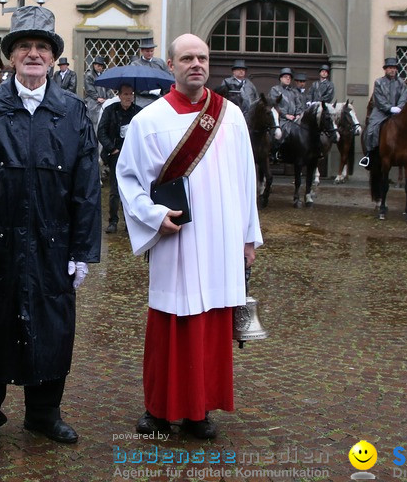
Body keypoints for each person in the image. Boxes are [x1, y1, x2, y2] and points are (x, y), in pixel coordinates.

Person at [0, 5, 101, 455]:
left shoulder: (72, 112)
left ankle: (44, 413)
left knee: (52, 326)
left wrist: (82, 249)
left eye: (42, 48)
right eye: (24, 47)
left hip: (53, 243)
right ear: (11, 56)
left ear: (52, 58)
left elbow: (87, 186)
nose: (33, 54)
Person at [116, 33, 262, 440]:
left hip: (221, 241)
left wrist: (248, 238)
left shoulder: (230, 115)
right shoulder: (149, 120)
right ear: (171, 66)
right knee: (170, 326)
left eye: (202, 57)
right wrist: (154, 215)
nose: (196, 64)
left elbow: (246, 180)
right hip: (176, 240)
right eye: (187, 58)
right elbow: (128, 181)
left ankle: (199, 411)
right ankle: (158, 411)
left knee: (212, 326)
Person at [97, 84, 141, 233]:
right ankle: (113, 220)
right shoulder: (110, 110)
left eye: (131, 94)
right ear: (120, 95)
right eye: (126, 94)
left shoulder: (138, 112)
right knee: (115, 189)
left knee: (132, 190)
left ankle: (130, 223)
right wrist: (112, 149)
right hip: (116, 154)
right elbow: (101, 131)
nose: (128, 97)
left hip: (132, 156)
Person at [358, 57, 407, 168]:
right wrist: (389, 108)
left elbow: (404, 97)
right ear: (385, 69)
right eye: (390, 68)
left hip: (398, 112)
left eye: (394, 68)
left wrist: (399, 108)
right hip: (381, 112)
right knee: (371, 129)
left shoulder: (402, 83)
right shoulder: (379, 82)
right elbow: (379, 99)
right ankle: (369, 154)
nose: (392, 70)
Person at [267, 67, 302, 153]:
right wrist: (285, 115)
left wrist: (298, 114)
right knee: (285, 131)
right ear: (281, 78)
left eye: (289, 77)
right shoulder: (275, 90)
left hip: (294, 119)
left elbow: (299, 104)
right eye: (286, 77)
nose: (288, 79)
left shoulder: (294, 91)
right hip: (280, 119)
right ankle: (276, 151)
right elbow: (274, 105)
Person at [131, 37, 168, 108]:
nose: (150, 53)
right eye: (147, 51)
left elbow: (167, 78)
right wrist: (149, 91)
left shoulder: (160, 63)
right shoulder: (135, 65)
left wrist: (162, 92)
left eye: (152, 51)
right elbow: (135, 84)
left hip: (159, 99)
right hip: (141, 101)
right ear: (142, 50)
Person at [83, 55, 114, 131]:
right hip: (93, 100)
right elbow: (89, 89)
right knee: (94, 120)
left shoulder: (104, 75)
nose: (100, 67)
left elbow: (108, 88)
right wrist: (97, 97)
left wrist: (110, 98)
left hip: (103, 100)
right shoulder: (89, 75)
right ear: (94, 65)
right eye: (98, 65)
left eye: (101, 66)